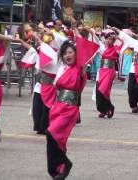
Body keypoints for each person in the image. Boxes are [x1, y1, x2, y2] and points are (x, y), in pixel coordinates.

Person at [46, 22, 99, 179]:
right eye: (65, 54)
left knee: (51, 134)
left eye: (70, 52)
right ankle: (57, 168)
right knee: (55, 138)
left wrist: (75, 29)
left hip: (69, 109)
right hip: (57, 107)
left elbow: (83, 48)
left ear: (76, 54)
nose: (67, 55)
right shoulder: (63, 69)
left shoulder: (80, 67)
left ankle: (65, 163)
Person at [19, 30, 61, 135]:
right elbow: (32, 49)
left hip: (50, 86)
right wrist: (20, 41)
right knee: (37, 107)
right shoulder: (42, 51)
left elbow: (45, 47)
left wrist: (35, 36)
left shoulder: (56, 53)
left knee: (46, 108)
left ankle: (46, 127)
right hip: (40, 85)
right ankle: (39, 126)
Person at [96, 30, 123, 118]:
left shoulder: (116, 48)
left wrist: (116, 37)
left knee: (102, 91)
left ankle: (108, 108)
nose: (108, 41)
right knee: (101, 92)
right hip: (102, 71)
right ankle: (105, 110)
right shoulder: (103, 48)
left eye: (110, 39)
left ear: (113, 40)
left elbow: (123, 43)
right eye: (107, 39)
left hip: (109, 72)